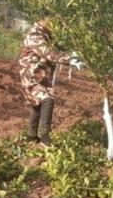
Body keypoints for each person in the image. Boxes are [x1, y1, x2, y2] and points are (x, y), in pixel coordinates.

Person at [19, 19, 79, 147]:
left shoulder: (45, 34)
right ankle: (45, 136)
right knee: (47, 100)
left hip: (41, 76)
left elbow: (58, 46)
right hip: (30, 76)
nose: (55, 26)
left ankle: (31, 136)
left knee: (38, 105)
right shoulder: (35, 36)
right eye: (53, 22)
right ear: (44, 20)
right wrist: (69, 59)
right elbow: (48, 52)